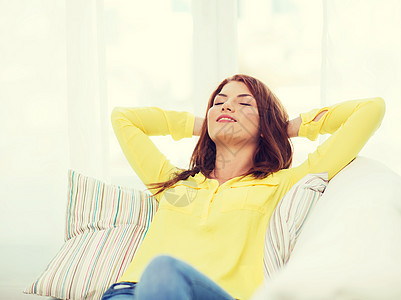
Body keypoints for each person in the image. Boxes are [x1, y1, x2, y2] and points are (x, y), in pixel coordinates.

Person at [102, 74, 385, 300]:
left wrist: (286, 126)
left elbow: (370, 110)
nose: (226, 106)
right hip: (131, 291)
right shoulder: (173, 182)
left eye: (245, 103)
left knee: (164, 269)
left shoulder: (282, 183)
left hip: (222, 294)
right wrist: (207, 124)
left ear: (265, 124)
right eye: (219, 102)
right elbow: (122, 118)